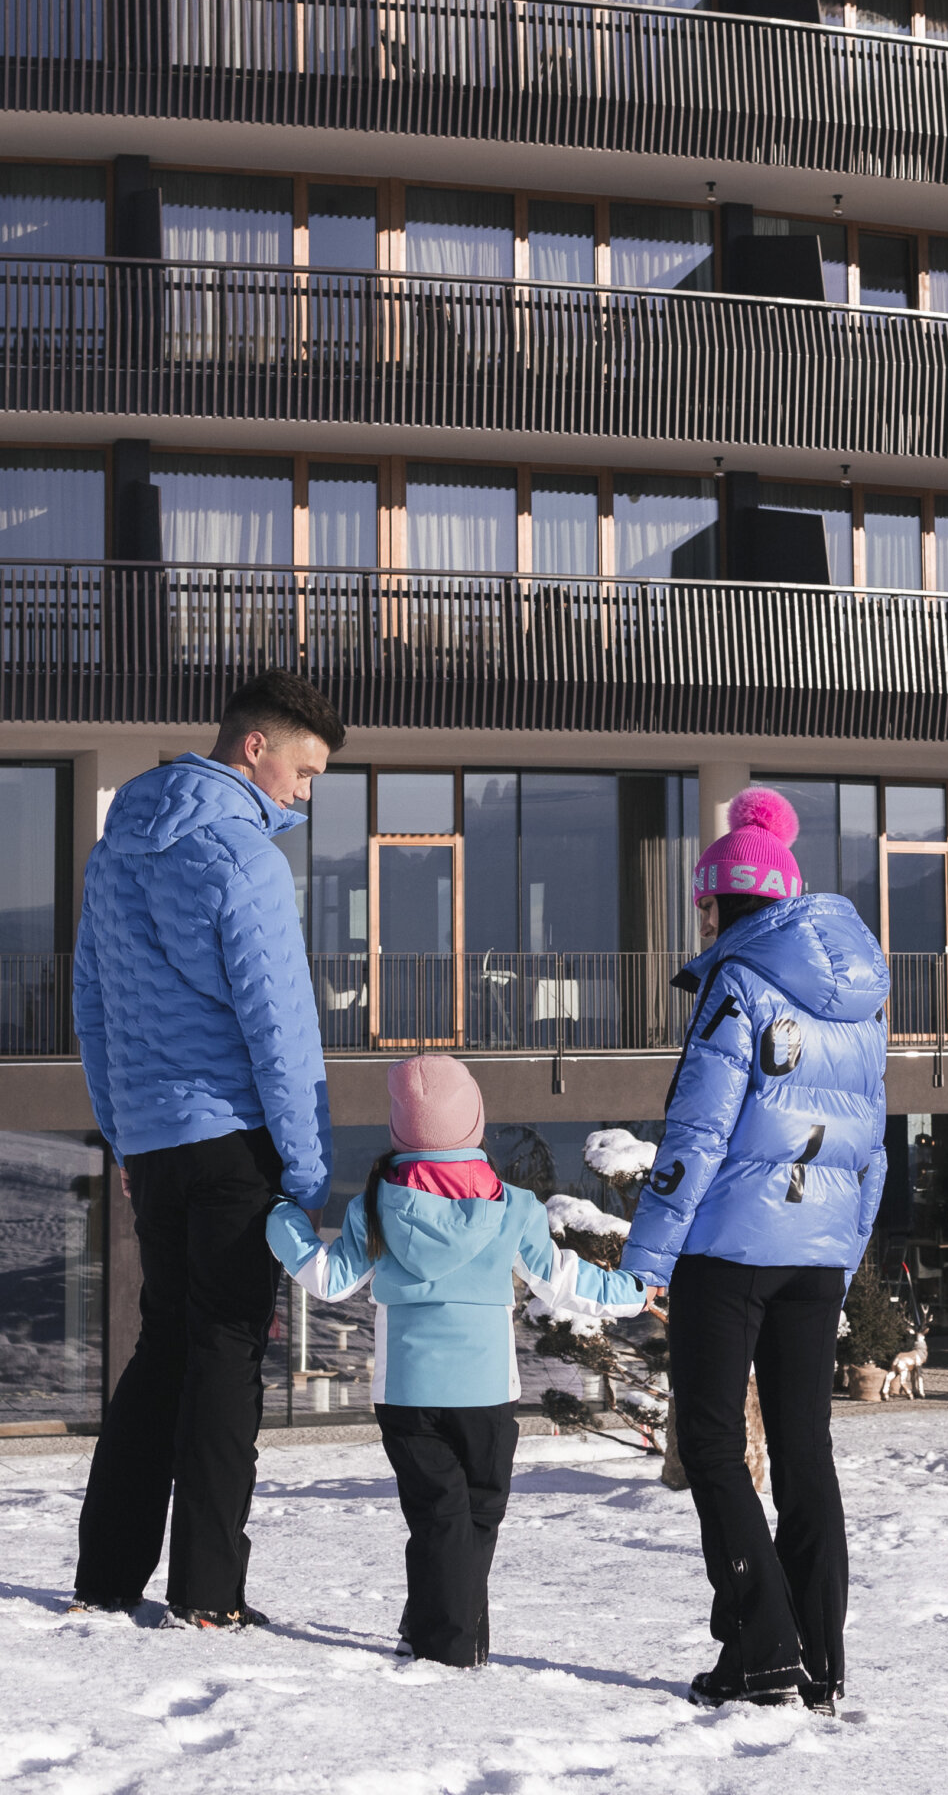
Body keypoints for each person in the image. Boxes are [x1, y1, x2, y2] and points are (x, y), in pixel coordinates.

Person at [69, 667, 345, 1626]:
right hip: (232, 1139)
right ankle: (209, 1594)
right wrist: (306, 1165)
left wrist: (123, 1127)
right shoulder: (242, 858)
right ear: (256, 748)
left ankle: (107, 1575)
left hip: (153, 1141)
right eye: (305, 772)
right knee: (228, 1355)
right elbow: (280, 1025)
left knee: (163, 1349)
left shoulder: (115, 852)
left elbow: (90, 1007)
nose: (307, 794)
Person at [623, 785, 889, 1717]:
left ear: (717, 902)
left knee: (711, 1440)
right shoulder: (860, 999)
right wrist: (845, 1256)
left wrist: (648, 1258)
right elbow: (874, 1142)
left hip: (728, 1250)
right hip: (817, 1252)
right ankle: (821, 1655)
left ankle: (762, 1646)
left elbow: (696, 1136)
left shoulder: (738, 983)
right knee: (805, 1447)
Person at [266, 1053, 646, 1667]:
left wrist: (281, 1217)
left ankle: (434, 1627)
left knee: (440, 1519)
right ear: (472, 1119)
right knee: (474, 1517)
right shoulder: (515, 1206)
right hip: (486, 1390)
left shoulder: (375, 1202)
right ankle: (450, 1652)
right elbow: (563, 1282)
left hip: (407, 1392)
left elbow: (329, 1280)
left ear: (400, 1130)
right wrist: (633, 1291)